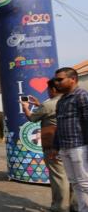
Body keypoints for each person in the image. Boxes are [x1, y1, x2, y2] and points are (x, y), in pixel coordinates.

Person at [22, 78, 72, 212]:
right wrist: (39, 104)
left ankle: (60, 207)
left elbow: (32, 118)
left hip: (53, 145)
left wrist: (26, 107)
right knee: (72, 176)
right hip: (72, 144)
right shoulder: (70, 101)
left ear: (53, 89)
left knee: (58, 177)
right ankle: (74, 205)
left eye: (48, 90)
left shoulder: (48, 105)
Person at [51, 67, 88, 211]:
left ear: (73, 79)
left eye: (60, 80)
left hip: (79, 146)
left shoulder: (82, 96)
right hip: (65, 147)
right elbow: (59, 126)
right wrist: (55, 147)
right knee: (74, 182)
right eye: (55, 80)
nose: (56, 83)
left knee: (84, 182)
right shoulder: (61, 101)